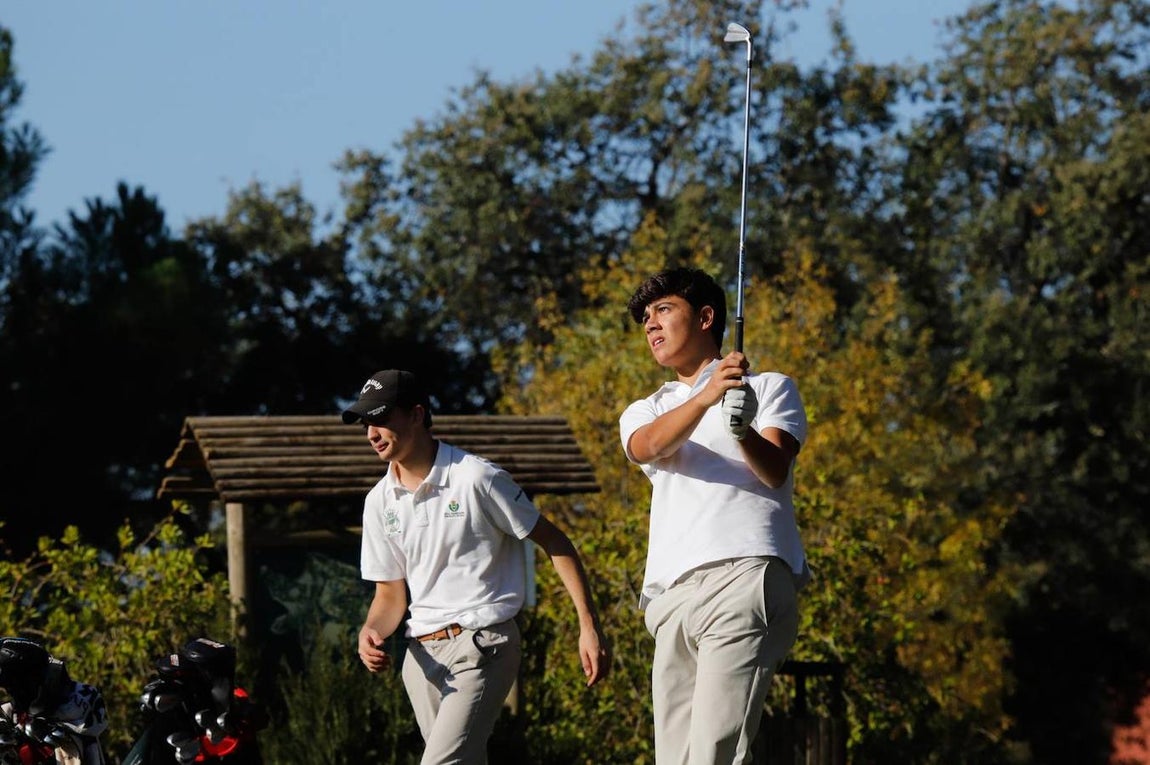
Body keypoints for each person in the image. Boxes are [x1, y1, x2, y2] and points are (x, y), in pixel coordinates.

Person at [344, 369, 609, 764]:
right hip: (421, 662)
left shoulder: (477, 477)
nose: (372, 433)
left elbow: (556, 543)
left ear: (417, 415)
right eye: (366, 422)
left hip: (483, 646)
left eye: (381, 418)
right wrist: (371, 631)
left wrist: (589, 626)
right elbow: (390, 595)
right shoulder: (378, 502)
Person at [618, 267, 809, 764]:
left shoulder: (769, 387)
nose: (650, 325)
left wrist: (742, 428)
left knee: (712, 755)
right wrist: (707, 396)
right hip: (671, 599)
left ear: (705, 318)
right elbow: (648, 447)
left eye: (662, 310)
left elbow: (773, 472)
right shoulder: (646, 408)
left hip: (745, 576)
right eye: (644, 318)